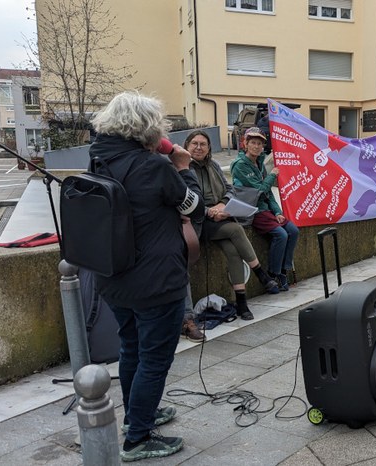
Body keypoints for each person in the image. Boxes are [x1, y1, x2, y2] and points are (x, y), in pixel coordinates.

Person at [89, 91, 205, 461]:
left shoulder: (99, 160)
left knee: (131, 347)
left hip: (116, 278)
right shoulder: (153, 167)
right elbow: (192, 205)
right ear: (146, 129)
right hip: (155, 281)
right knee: (155, 358)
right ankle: (138, 437)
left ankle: (138, 414)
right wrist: (184, 168)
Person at [186, 129, 280, 323]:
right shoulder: (184, 169)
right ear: (187, 146)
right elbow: (185, 199)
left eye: (203, 144)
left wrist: (222, 206)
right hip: (200, 222)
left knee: (232, 252)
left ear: (209, 148)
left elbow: (229, 189)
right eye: (194, 143)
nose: (198, 147)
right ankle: (260, 274)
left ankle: (241, 302)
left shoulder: (213, 166)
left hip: (221, 215)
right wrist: (209, 211)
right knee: (236, 229)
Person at [231, 127, 298, 290]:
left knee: (294, 231)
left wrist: (277, 212)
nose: (256, 146)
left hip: (267, 209)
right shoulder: (240, 165)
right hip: (253, 210)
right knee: (281, 235)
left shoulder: (260, 162)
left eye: (259, 143)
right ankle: (274, 273)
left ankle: (284, 268)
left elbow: (268, 194)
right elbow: (260, 191)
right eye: (253, 142)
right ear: (245, 144)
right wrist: (272, 175)